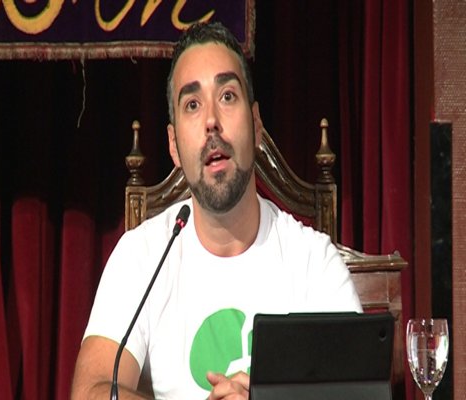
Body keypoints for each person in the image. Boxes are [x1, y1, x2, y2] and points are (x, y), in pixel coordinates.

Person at [72, 22, 362, 400]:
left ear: (256, 125)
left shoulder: (314, 263)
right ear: (173, 145)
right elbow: (91, 391)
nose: (211, 121)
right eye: (192, 104)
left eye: (227, 96)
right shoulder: (141, 256)